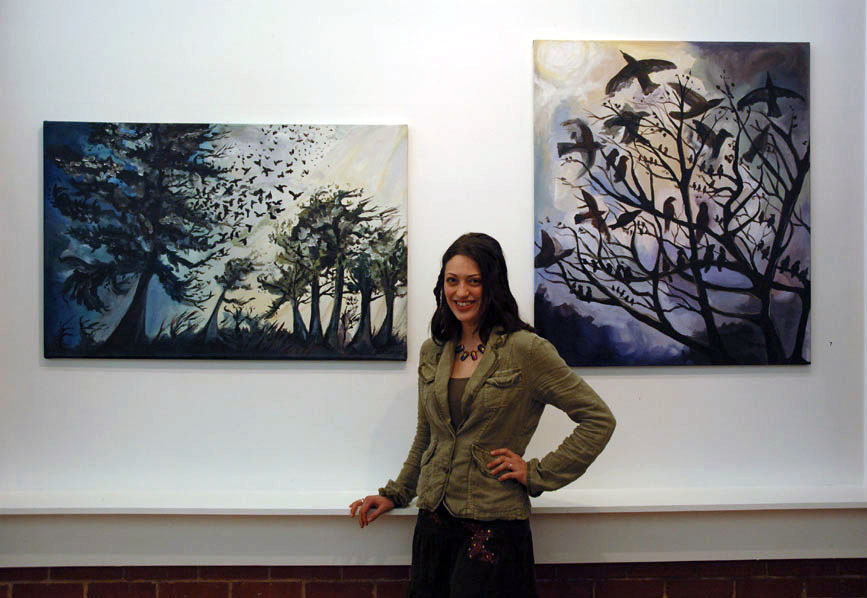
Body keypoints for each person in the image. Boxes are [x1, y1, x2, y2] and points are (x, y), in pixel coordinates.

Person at [350, 232, 615, 598]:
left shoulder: (526, 350)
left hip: (493, 529)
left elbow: (598, 419)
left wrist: (537, 473)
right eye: (452, 281)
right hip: (434, 523)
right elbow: (427, 436)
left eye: (474, 281)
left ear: (493, 285)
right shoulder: (434, 350)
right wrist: (397, 493)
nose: (461, 292)